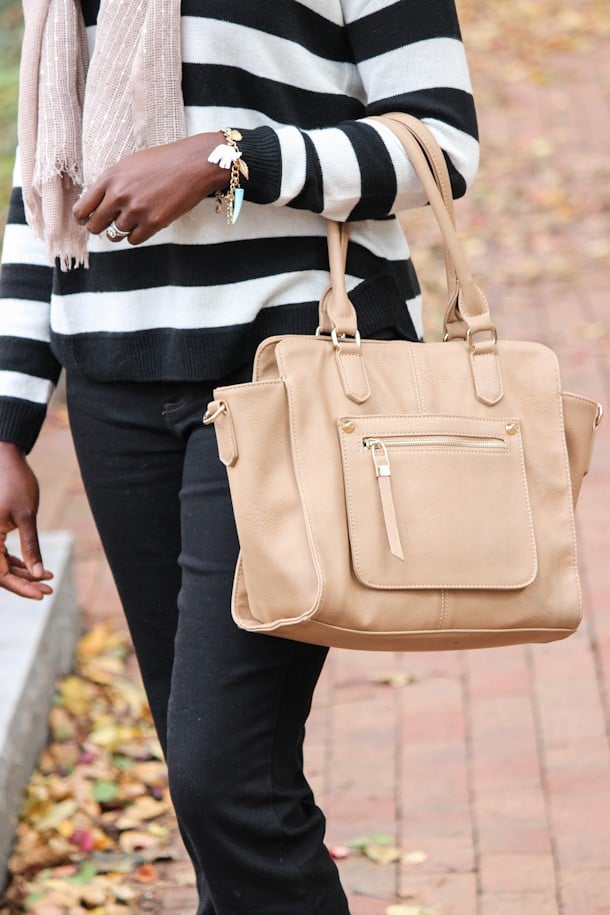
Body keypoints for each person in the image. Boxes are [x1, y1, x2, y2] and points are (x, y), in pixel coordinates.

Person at [0, 1, 478, 912]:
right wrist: (7, 417)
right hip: (114, 383)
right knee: (210, 779)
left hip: (295, 370)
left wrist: (231, 154)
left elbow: (440, 146)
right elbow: (40, 181)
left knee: (228, 779)